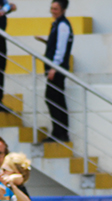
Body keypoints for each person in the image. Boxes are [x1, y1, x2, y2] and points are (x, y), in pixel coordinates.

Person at [41, 0, 72, 142]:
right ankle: (60, 132)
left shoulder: (63, 25)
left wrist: (54, 67)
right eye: (52, 8)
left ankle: (59, 132)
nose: (53, 11)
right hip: (56, 67)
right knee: (56, 98)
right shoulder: (57, 24)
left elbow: (61, 49)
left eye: (56, 8)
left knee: (52, 98)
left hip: (57, 69)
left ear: (63, 10)